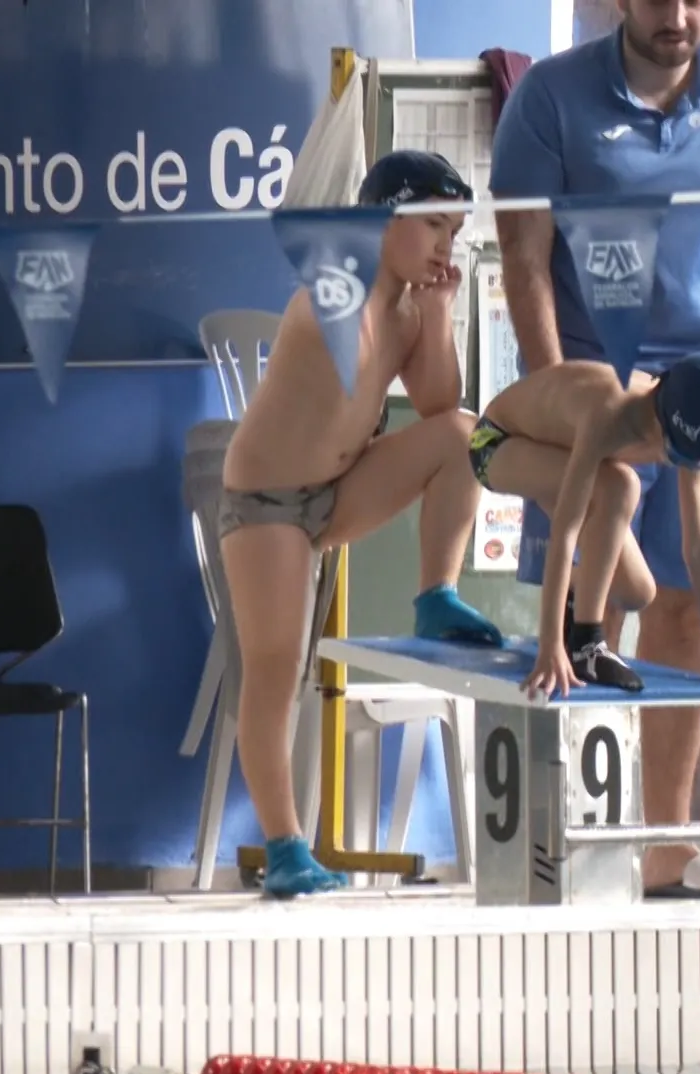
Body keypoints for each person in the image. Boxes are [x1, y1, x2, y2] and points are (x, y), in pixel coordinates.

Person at [489, 0, 700, 899]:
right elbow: (524, 256)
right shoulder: (549, 98)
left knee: (685, 617)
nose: (676, 14)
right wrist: (557, 396)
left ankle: (666, 844)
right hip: (593, 378)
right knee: (599, 610)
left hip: (698, 386)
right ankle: (569, 843)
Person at [217, 150, 503, 898]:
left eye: (456, 230)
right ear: (384, 221)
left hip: (338, 488)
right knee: (277, 671)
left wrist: (436, 313)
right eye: (435, 225)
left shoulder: (409, 311)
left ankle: (435, 594)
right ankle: (285, 848)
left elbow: (441, 406)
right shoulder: (329, 297)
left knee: (464, 434)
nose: (448, 245)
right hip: (267, 505)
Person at [468, 353, 700, 704]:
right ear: (661, 419)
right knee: (621, 485)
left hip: (552, 450)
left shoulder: (688, 424)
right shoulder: (609, 411)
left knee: (637, 592)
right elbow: (565, 530)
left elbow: (699, 544)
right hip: (494, 444)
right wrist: (550, 648)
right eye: (675, 454)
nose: (674, 464)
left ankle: (575, 597)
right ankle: (586, 643)